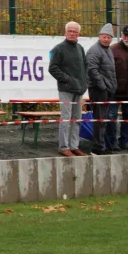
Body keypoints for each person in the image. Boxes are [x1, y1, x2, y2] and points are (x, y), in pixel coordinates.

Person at [48, 21, 88, 157]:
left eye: (75, 31)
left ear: (79, 34)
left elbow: (85, 67)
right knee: (66, 118)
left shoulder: (80, 48)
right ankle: (64, 146)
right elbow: (53, 68)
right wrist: (67, 79)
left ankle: (74, 145)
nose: (72, 33)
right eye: (70, 31)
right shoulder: (59, 48)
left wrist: (84, 83)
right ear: (65, 32)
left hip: (79, 90)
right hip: (66, 89)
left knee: (76, 118)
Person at [86, 23, 116, 155]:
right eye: (104, 36)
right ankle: (97, 148)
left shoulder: (108, 50)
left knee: (104, 119)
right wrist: (102, 86)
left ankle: (103, 145)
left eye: (109, 37)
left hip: (107, 90)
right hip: (98, 90)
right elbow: (92, 70)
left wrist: (112, 87)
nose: (106, 39)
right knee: (99, 119)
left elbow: (110, 71)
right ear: (99, 36)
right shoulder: (94, 50)